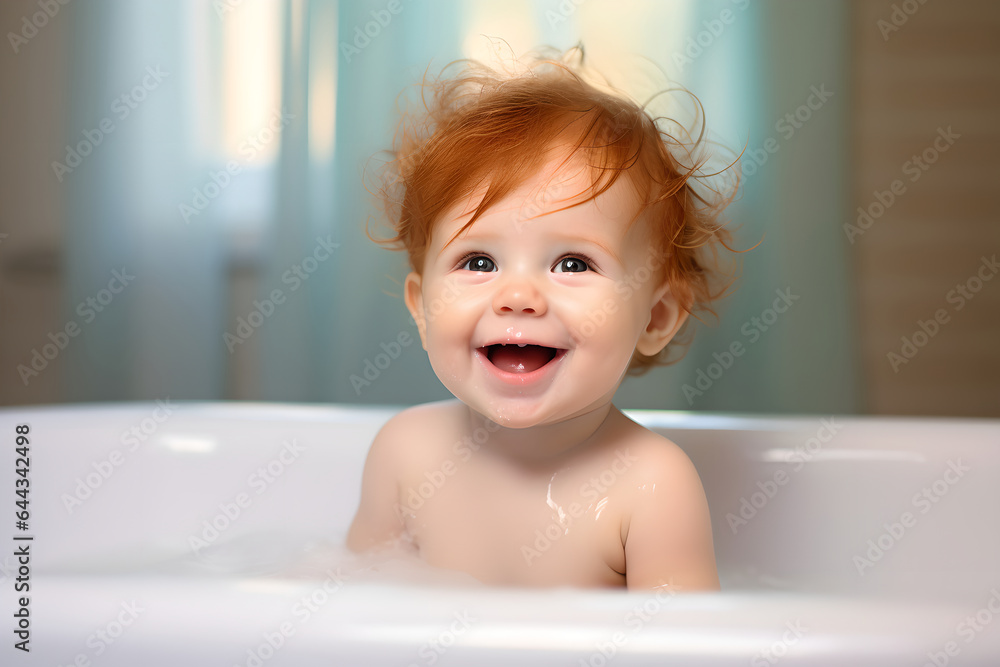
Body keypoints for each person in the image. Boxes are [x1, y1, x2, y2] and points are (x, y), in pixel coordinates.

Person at [347, 47, 737, 591]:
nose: (518, 296)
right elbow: (351, 617)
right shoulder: (404, 454)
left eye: (573, 263)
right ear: (421, 307)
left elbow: (685, 649)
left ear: (656, 317)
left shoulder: (652, 485)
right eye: (478, 261)